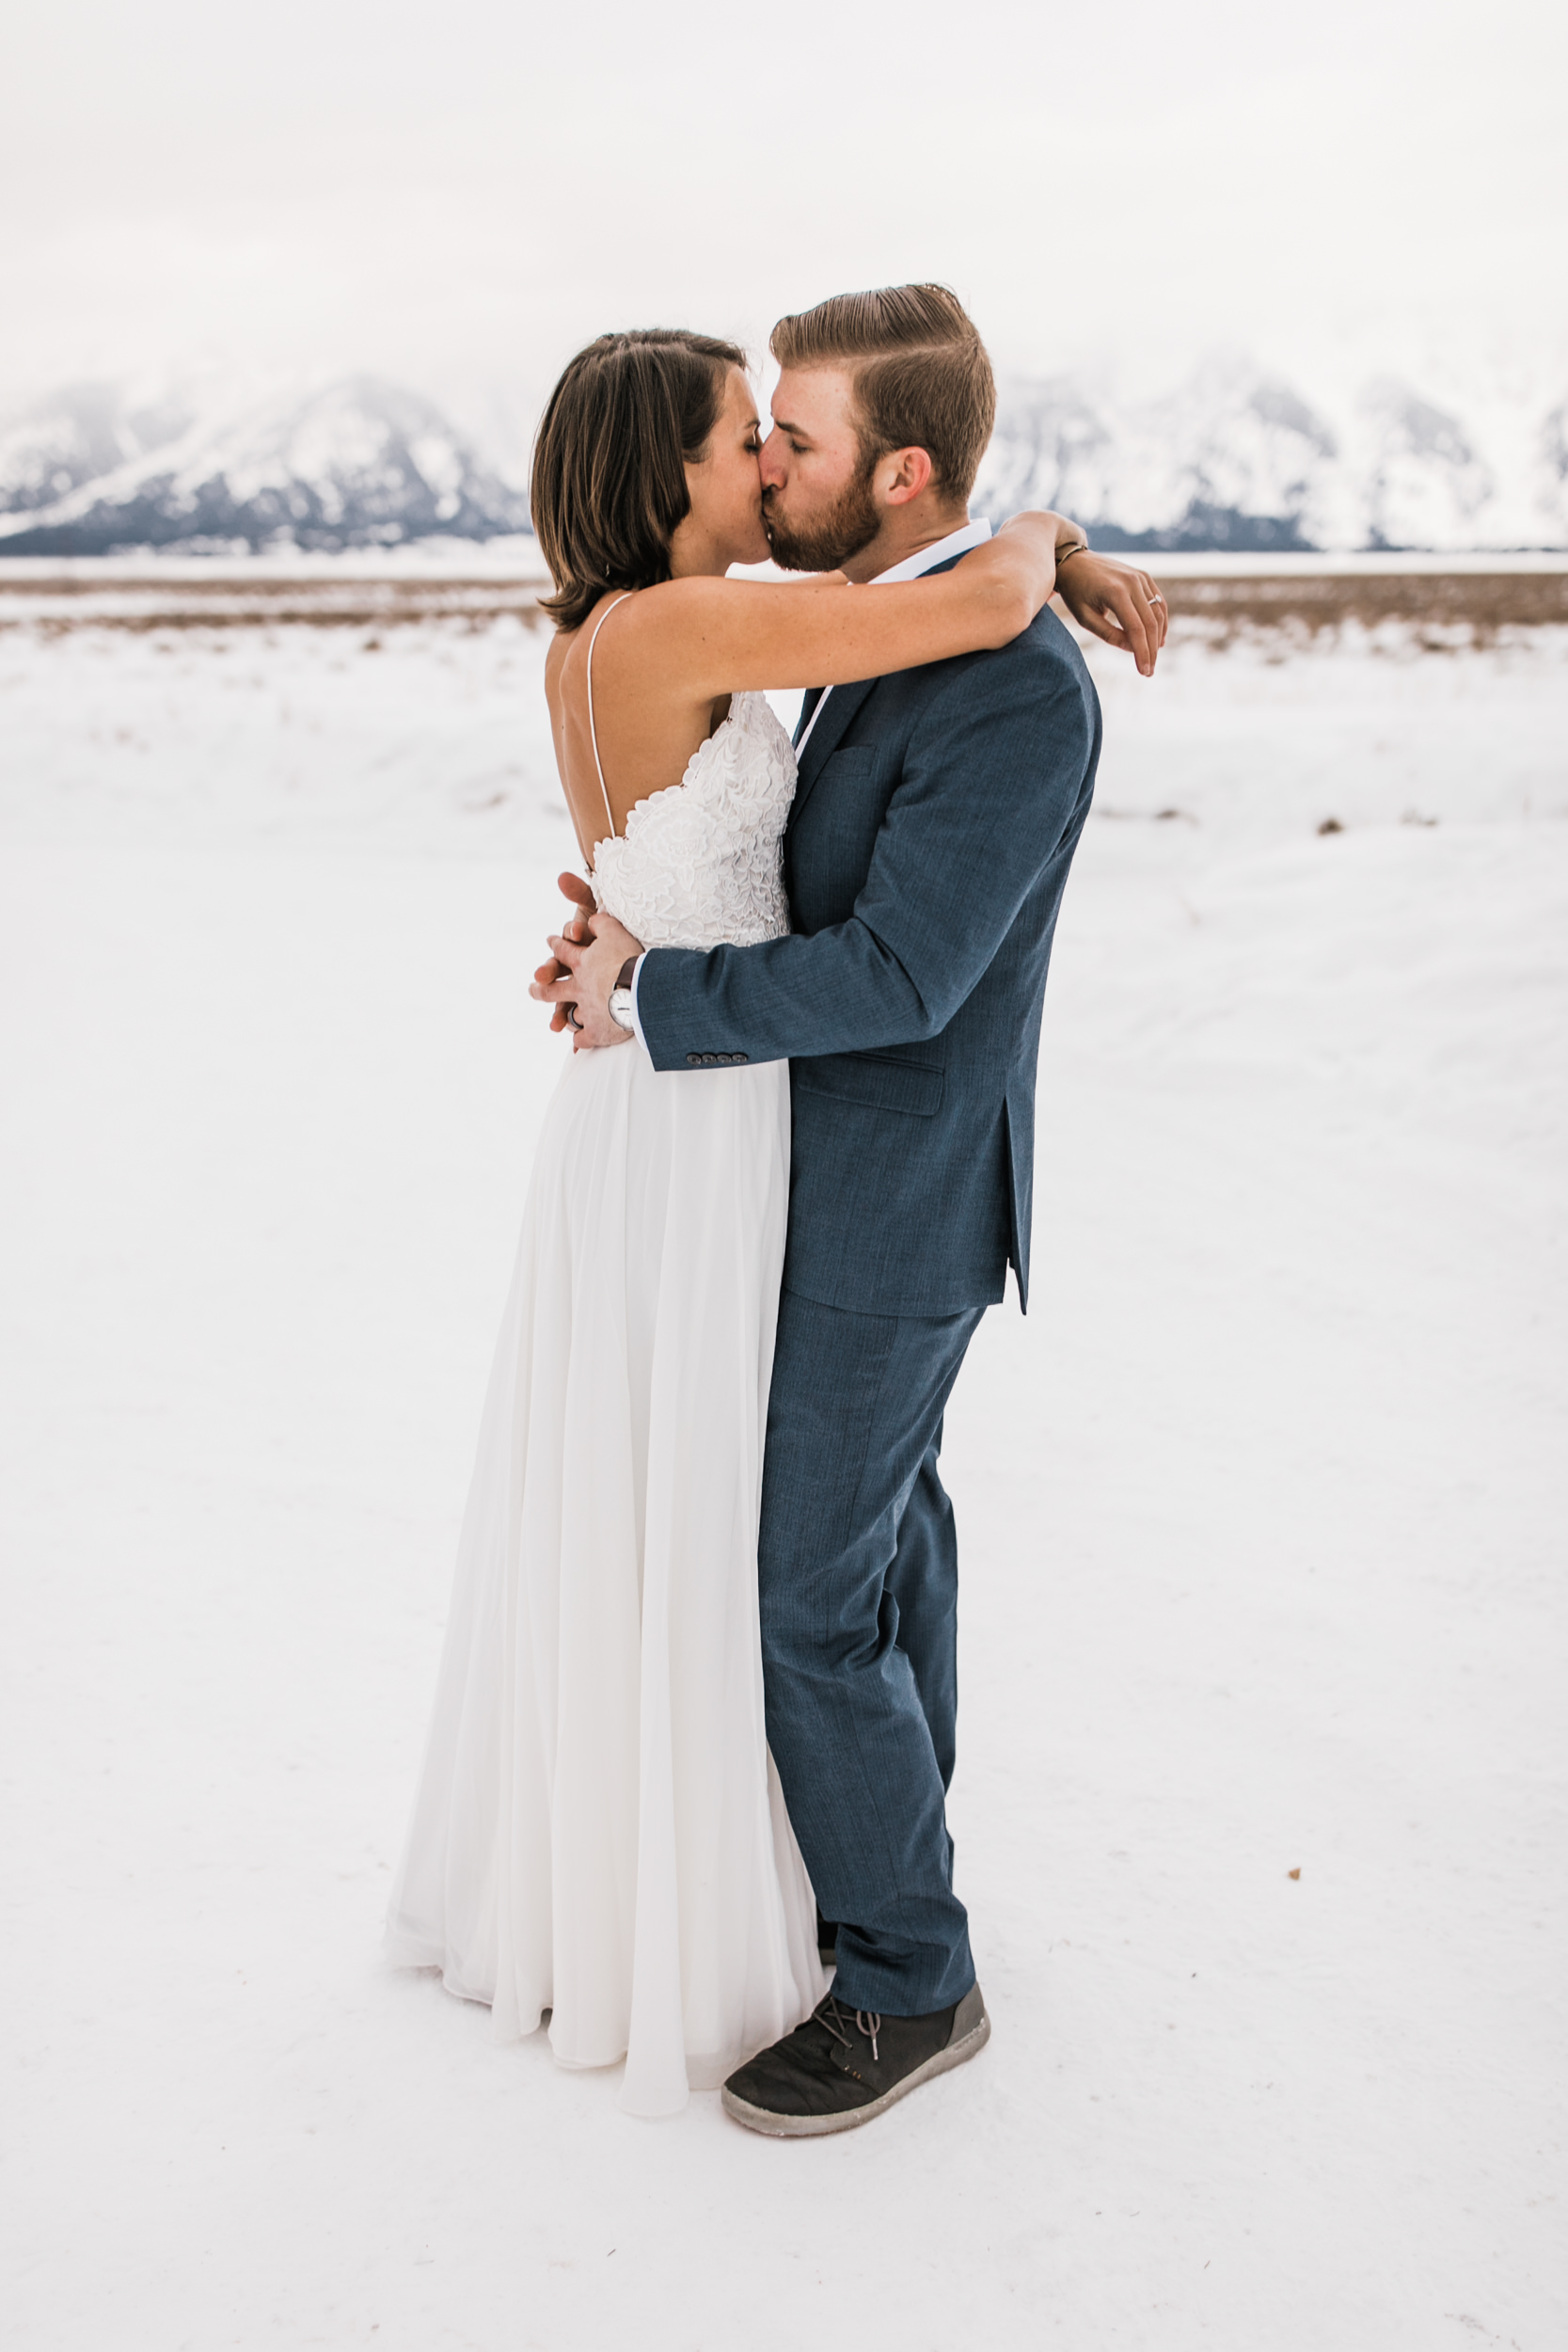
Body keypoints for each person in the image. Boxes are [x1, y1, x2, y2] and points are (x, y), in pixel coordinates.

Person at [389, 293, 1164, 2123]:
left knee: (822, 1582)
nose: (767, 463)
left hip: (879, 1183)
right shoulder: (834, 620)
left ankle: (908, 1972)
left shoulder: (1006, 676)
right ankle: (886, 1874)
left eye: (790, 436)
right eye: (748, 437)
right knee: (870, 1544)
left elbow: (900, 969)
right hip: (737, 1153)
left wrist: (652, 981)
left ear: (895, 468)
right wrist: (1039, 539)